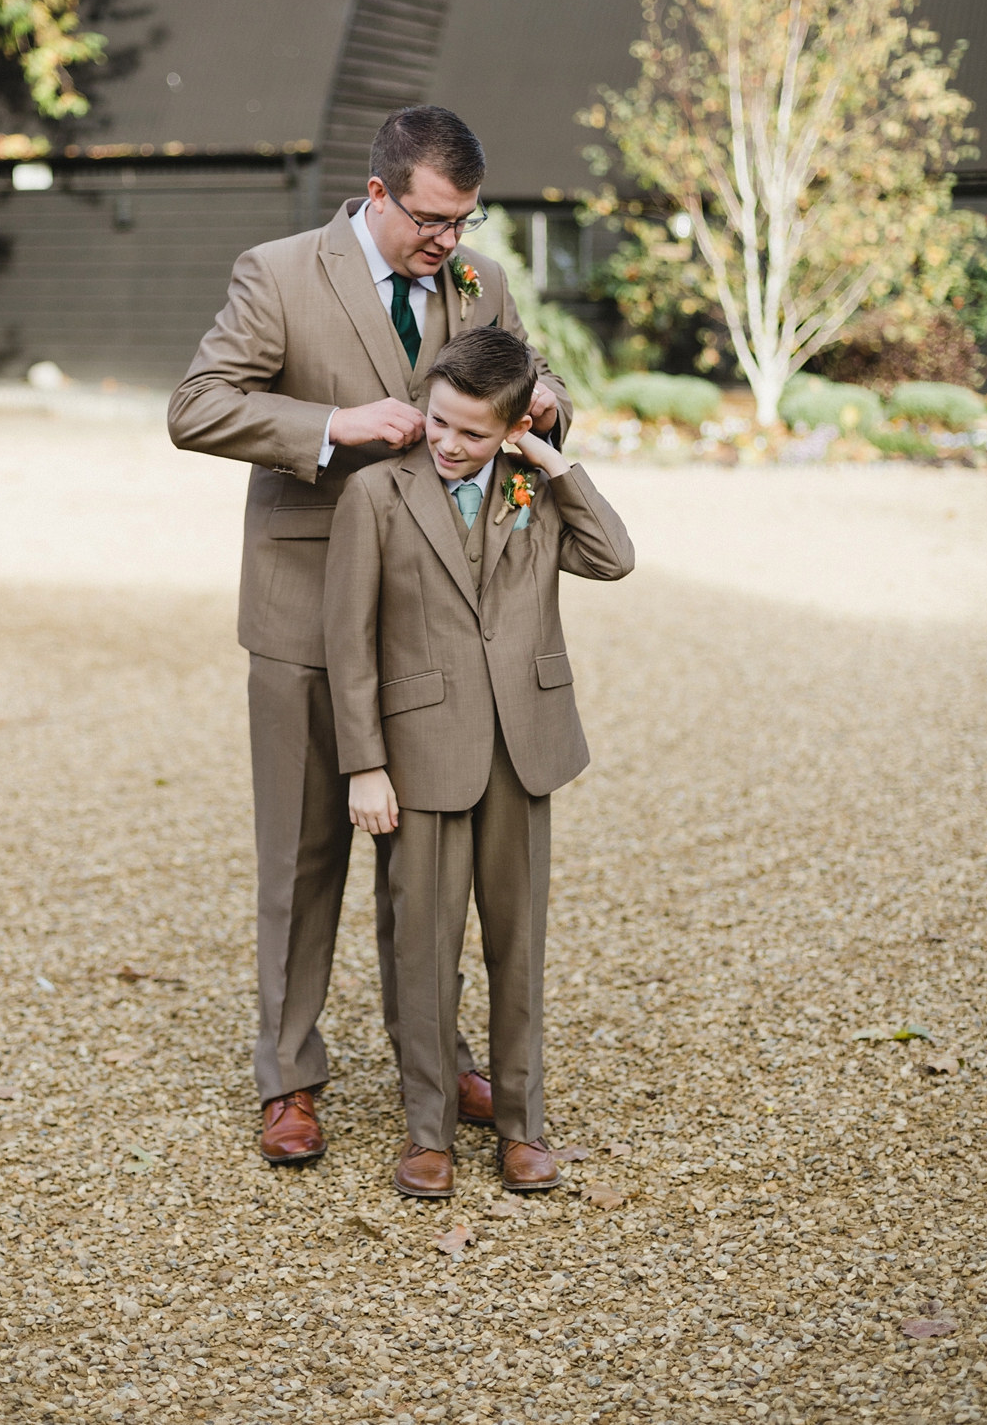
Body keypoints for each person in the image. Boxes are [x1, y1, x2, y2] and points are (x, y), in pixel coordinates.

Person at [168, 106, 573, 1164]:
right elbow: (198, 405)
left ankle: (434, 1063)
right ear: (380, 193)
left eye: (465, 221)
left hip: (448, 628)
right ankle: (290, 1078)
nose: (451, 243)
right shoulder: (277, 271)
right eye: (434, 221)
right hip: (307, 610)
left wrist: (551, 400)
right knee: (304, 857)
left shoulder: (481, 283)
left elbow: (520, 380)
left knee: (427, 861)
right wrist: (330, 427)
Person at [322, 328, 633, 1196]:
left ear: (511, 429)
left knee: (518, 945)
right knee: (424, 947)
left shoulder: (535, 487)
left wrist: (551, 460)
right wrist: (365, 765)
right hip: (419, 754)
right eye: (439, 422)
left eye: (472, 432)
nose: (449, 444)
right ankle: (428, 1133)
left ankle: (523, 1126)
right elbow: (347, 643)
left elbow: (615, 557)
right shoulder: (377, 493)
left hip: (523, 749)